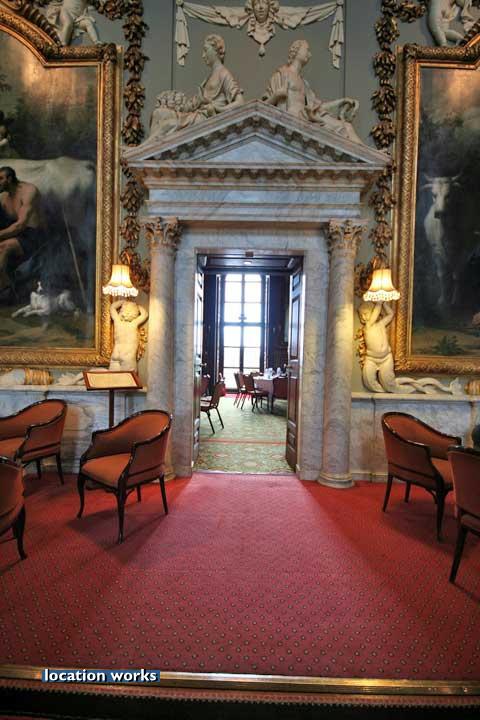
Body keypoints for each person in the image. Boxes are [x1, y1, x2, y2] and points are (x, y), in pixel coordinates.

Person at [263, 39, 361, 143]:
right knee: (343, 129)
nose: (309, 54)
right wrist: (276, 95)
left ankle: (367, 153)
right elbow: (265, 106)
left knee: (347, 127)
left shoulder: (304, 83)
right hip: (293, 120)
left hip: (308, 117)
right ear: (296, 51)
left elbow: (318, 108)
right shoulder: (282, 74)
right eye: (307, 50)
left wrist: (341, 102)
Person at [0, 166, 46, 297]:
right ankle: (6, 286)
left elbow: (20, 225)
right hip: (16, 234)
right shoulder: (4, 198)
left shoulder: (28, 191)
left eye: (0, 179)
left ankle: (5, 288)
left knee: (3, 247)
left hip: (34, 235)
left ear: (9, 179)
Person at [188, 34, 244, 118]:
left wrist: (219, 109)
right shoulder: (208, 78)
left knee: (172, 122)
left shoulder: (223, 74)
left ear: (216, 50)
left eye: (206, 50)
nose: (203, 55)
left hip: (205, 118)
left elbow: (240, 102)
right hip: (200, 115)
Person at [109, 299, 148, 372]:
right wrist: (137, 305)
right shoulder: (134, 324)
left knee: (112, 378)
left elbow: (112, 307)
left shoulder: (117, 322)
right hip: (127, 355)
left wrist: (123, 301)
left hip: (116, 354)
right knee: (127, 378)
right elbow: (144, 314)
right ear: (134, 313)